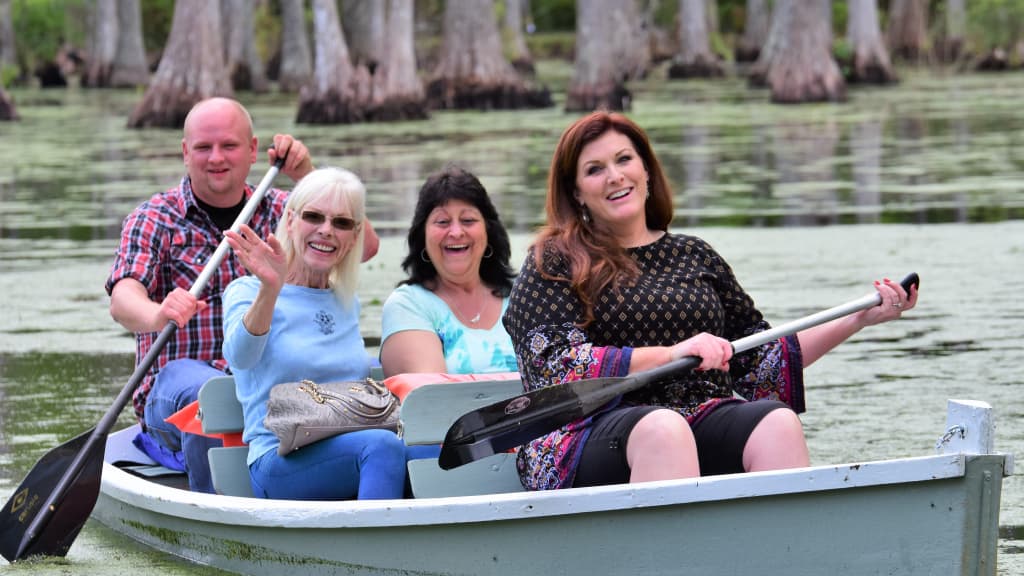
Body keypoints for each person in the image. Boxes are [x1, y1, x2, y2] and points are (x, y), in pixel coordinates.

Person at [503, 111, 918, 491]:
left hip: (696, 414)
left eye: (624, 160)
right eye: (595, 169)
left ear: (646, 169)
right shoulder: (553, 261)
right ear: (576, 193)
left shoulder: (695, 255)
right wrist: (671, 354)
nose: (615, 176)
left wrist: (858, 319)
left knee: (777, 423)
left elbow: (759, 357)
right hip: (582, 433)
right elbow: (552, 365)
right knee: (664, 430)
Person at [105, 97, 379, 493]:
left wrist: (306, 174)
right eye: (203, 147)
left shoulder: (288, 208)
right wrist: (156, 313)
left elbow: (364, 246)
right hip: (183, 380)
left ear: (252, 151)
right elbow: (123, 298)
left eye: (229, 146)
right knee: (209, 394)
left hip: (267, 378)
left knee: (365, 368)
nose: (216, 158)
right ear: (185, 153)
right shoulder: (154, 218)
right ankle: (217, 513)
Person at [222, 167, 405, 500]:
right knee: (381, 448)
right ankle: (373, 550)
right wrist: (271, 289)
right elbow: (241, 357)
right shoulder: (248, 291)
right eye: (314, 217)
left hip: (350, 447)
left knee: (442, 453)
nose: (326, 231)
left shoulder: (346, 301)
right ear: (291, 221)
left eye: (341, 223)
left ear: (354, 236)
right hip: (277, 460)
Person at [379, 166, 518, 377]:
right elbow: (436, 399)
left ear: (488, 231)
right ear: (422, 236)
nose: (456, 232)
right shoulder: (408, 305)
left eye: (468, 220)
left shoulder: (521, 297)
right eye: (442, 222)